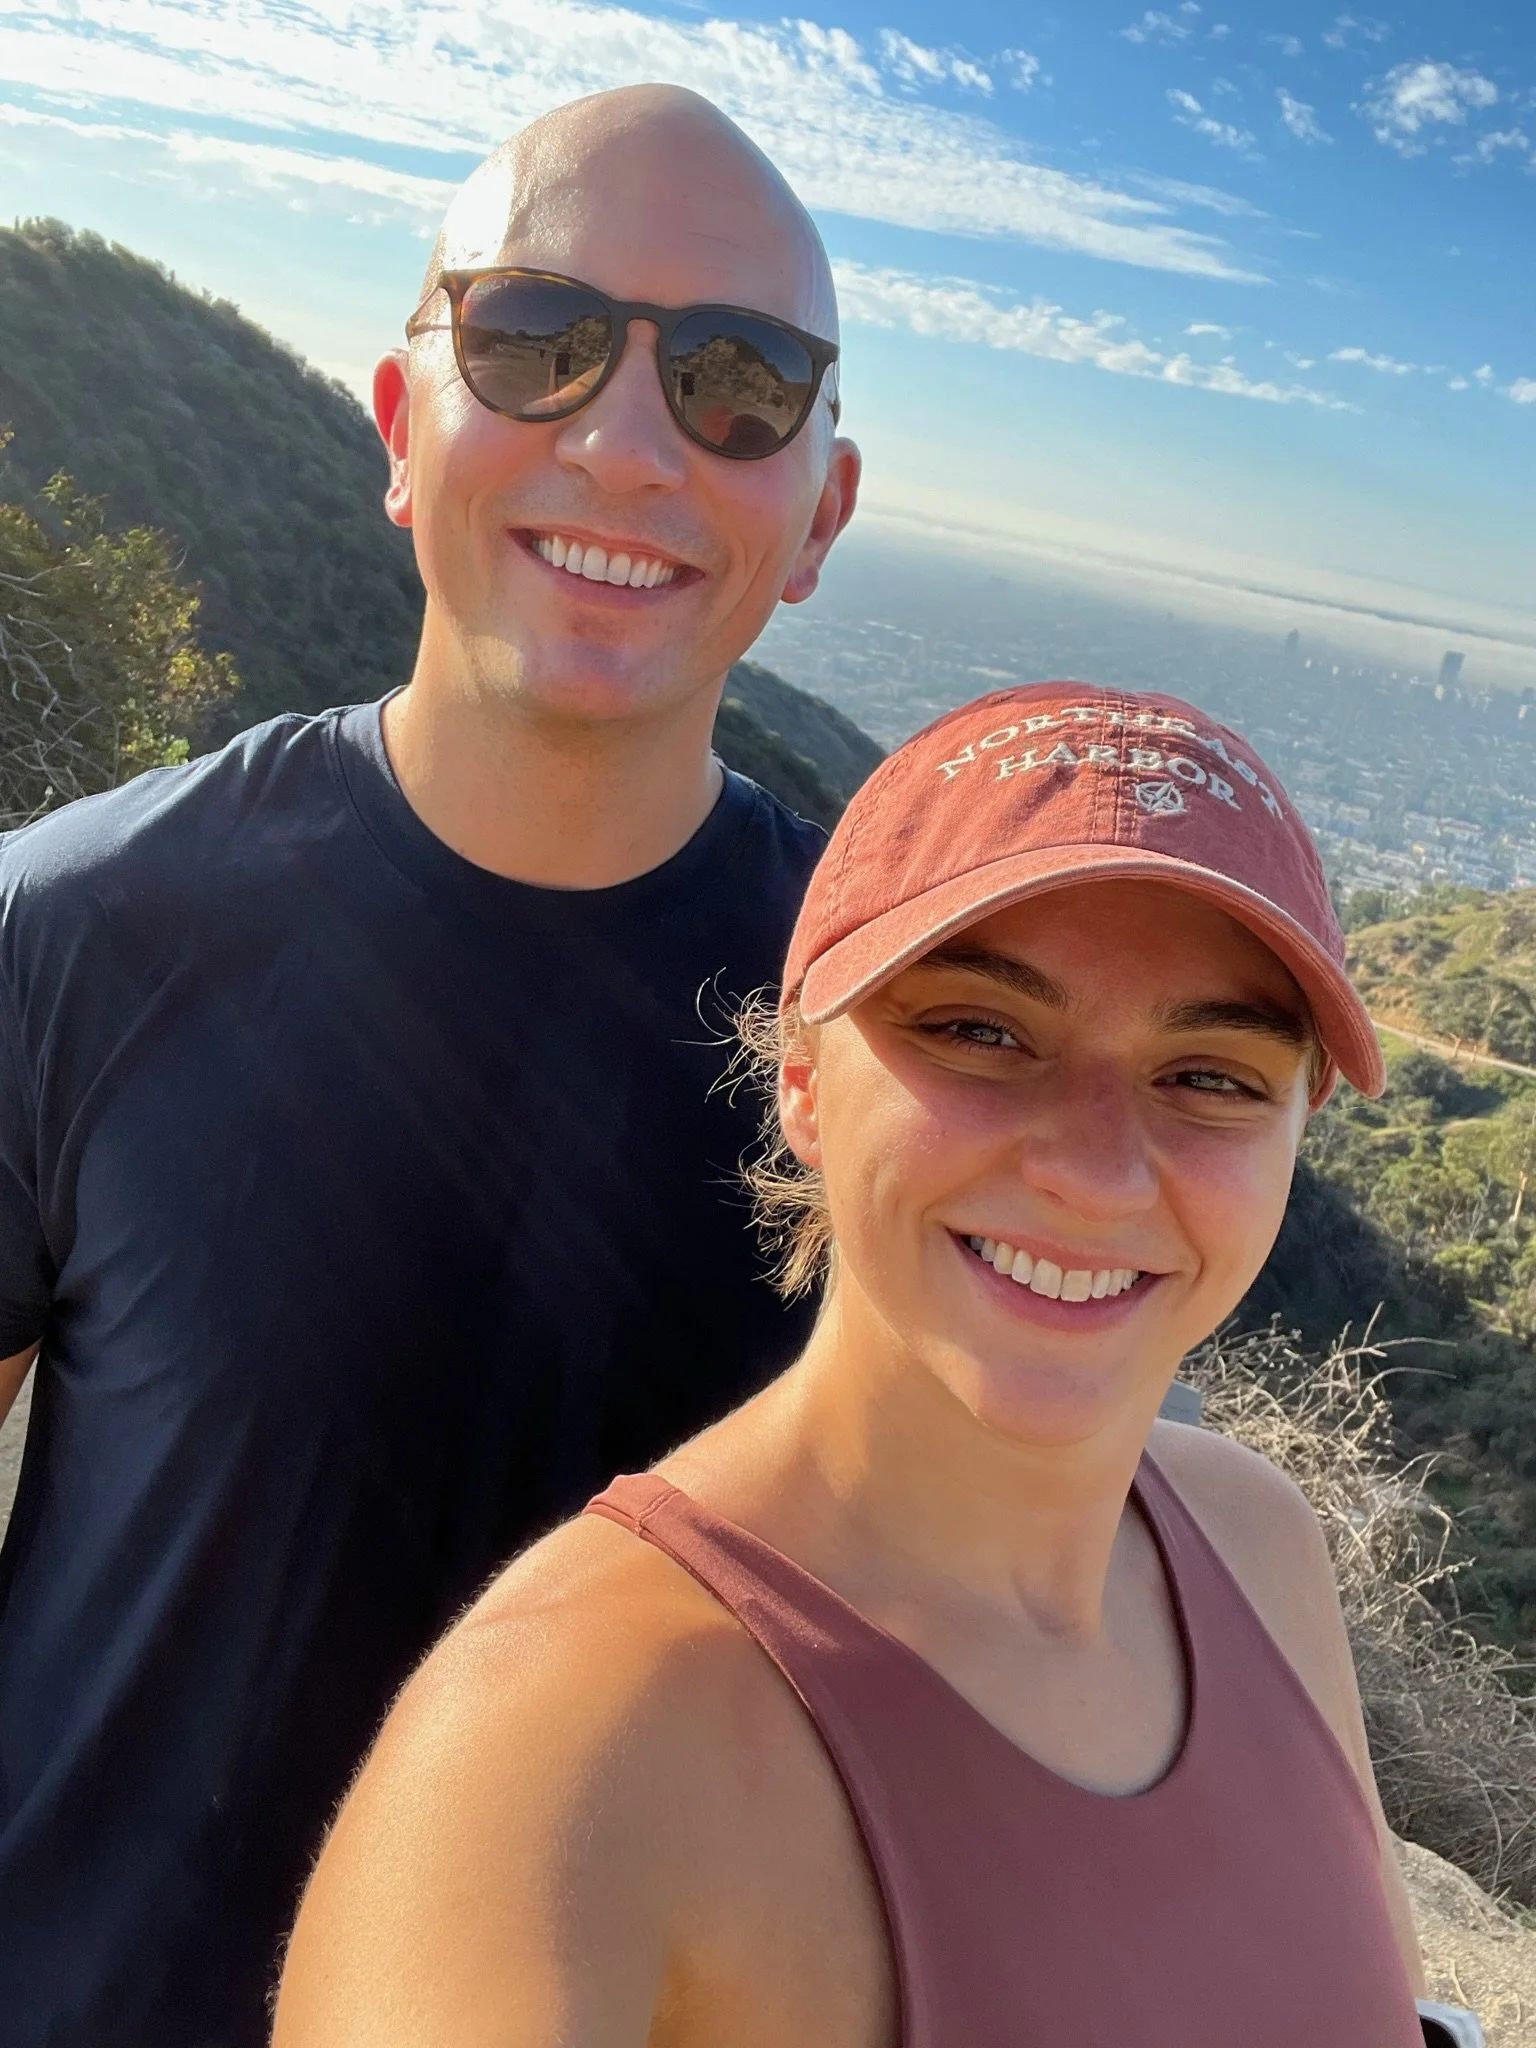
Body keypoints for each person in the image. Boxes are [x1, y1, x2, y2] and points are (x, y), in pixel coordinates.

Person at [0, 85, 858, 2048]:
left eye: (738, 381)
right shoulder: (73, 935)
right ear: (403, 430)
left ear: (820, 511)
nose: (627, 442)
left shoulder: (901, 1044)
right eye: (535, 338)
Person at [275, 681, 1435, 2048]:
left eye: (1212, 1076)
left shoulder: (1254, 1546)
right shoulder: (557, 1754)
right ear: (805, 1082)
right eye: (983, 1034)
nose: (1096, 1167)